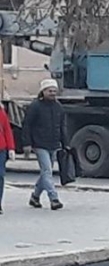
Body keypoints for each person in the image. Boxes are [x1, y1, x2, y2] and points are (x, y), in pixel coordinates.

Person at [22, 78, 65, 210]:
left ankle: (35, 197)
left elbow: (62, 126)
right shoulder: (35, 106)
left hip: (53, 144)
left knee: (46, 173)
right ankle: (54, 198)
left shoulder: (58, 107)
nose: (52, 93)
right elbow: (27, 125)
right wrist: (27, 144)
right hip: (39, 144)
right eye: (49, 91)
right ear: (43, 91)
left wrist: (65, 143)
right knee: (47, 171)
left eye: (54, 91)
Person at [0, 103, 14, 215]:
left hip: (1, 148)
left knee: (0, 176)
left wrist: (11, 148)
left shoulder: (1, 111)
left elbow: (7, 130)